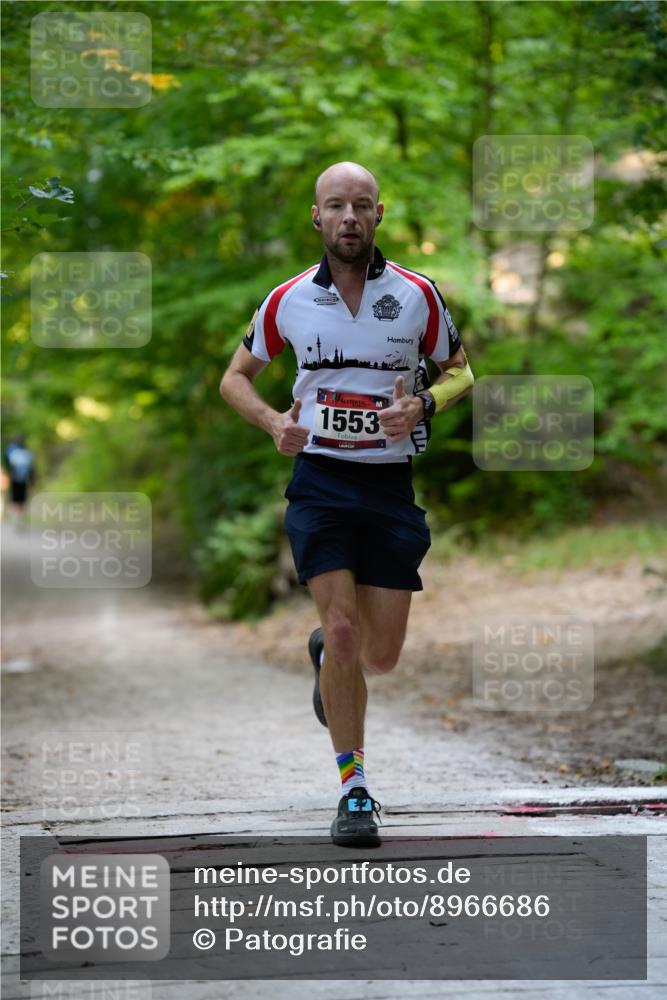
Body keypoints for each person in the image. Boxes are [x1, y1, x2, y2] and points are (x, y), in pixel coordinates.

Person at [220, 161, 474, 847]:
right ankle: (354, 790)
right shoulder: (286, 301)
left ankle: (329, 661)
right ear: (317, 217)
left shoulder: (418, 296)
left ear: (378, 214)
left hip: (388, 486)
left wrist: (422, 401)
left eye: (361, 205)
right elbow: (234, 379)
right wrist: (275, 422)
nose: (349, 218)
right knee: (341, 630)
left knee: (380, 656)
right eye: (336, 206)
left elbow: (461, 372)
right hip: (320, 482)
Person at [3, 433, 36, 527]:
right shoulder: (25, 452)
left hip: (18, 479)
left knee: (17, 499)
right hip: (19, 479)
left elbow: (31, 467)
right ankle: (19, 517)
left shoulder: (12, 451)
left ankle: (18, 517)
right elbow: (31, 468)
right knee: (19, 498)